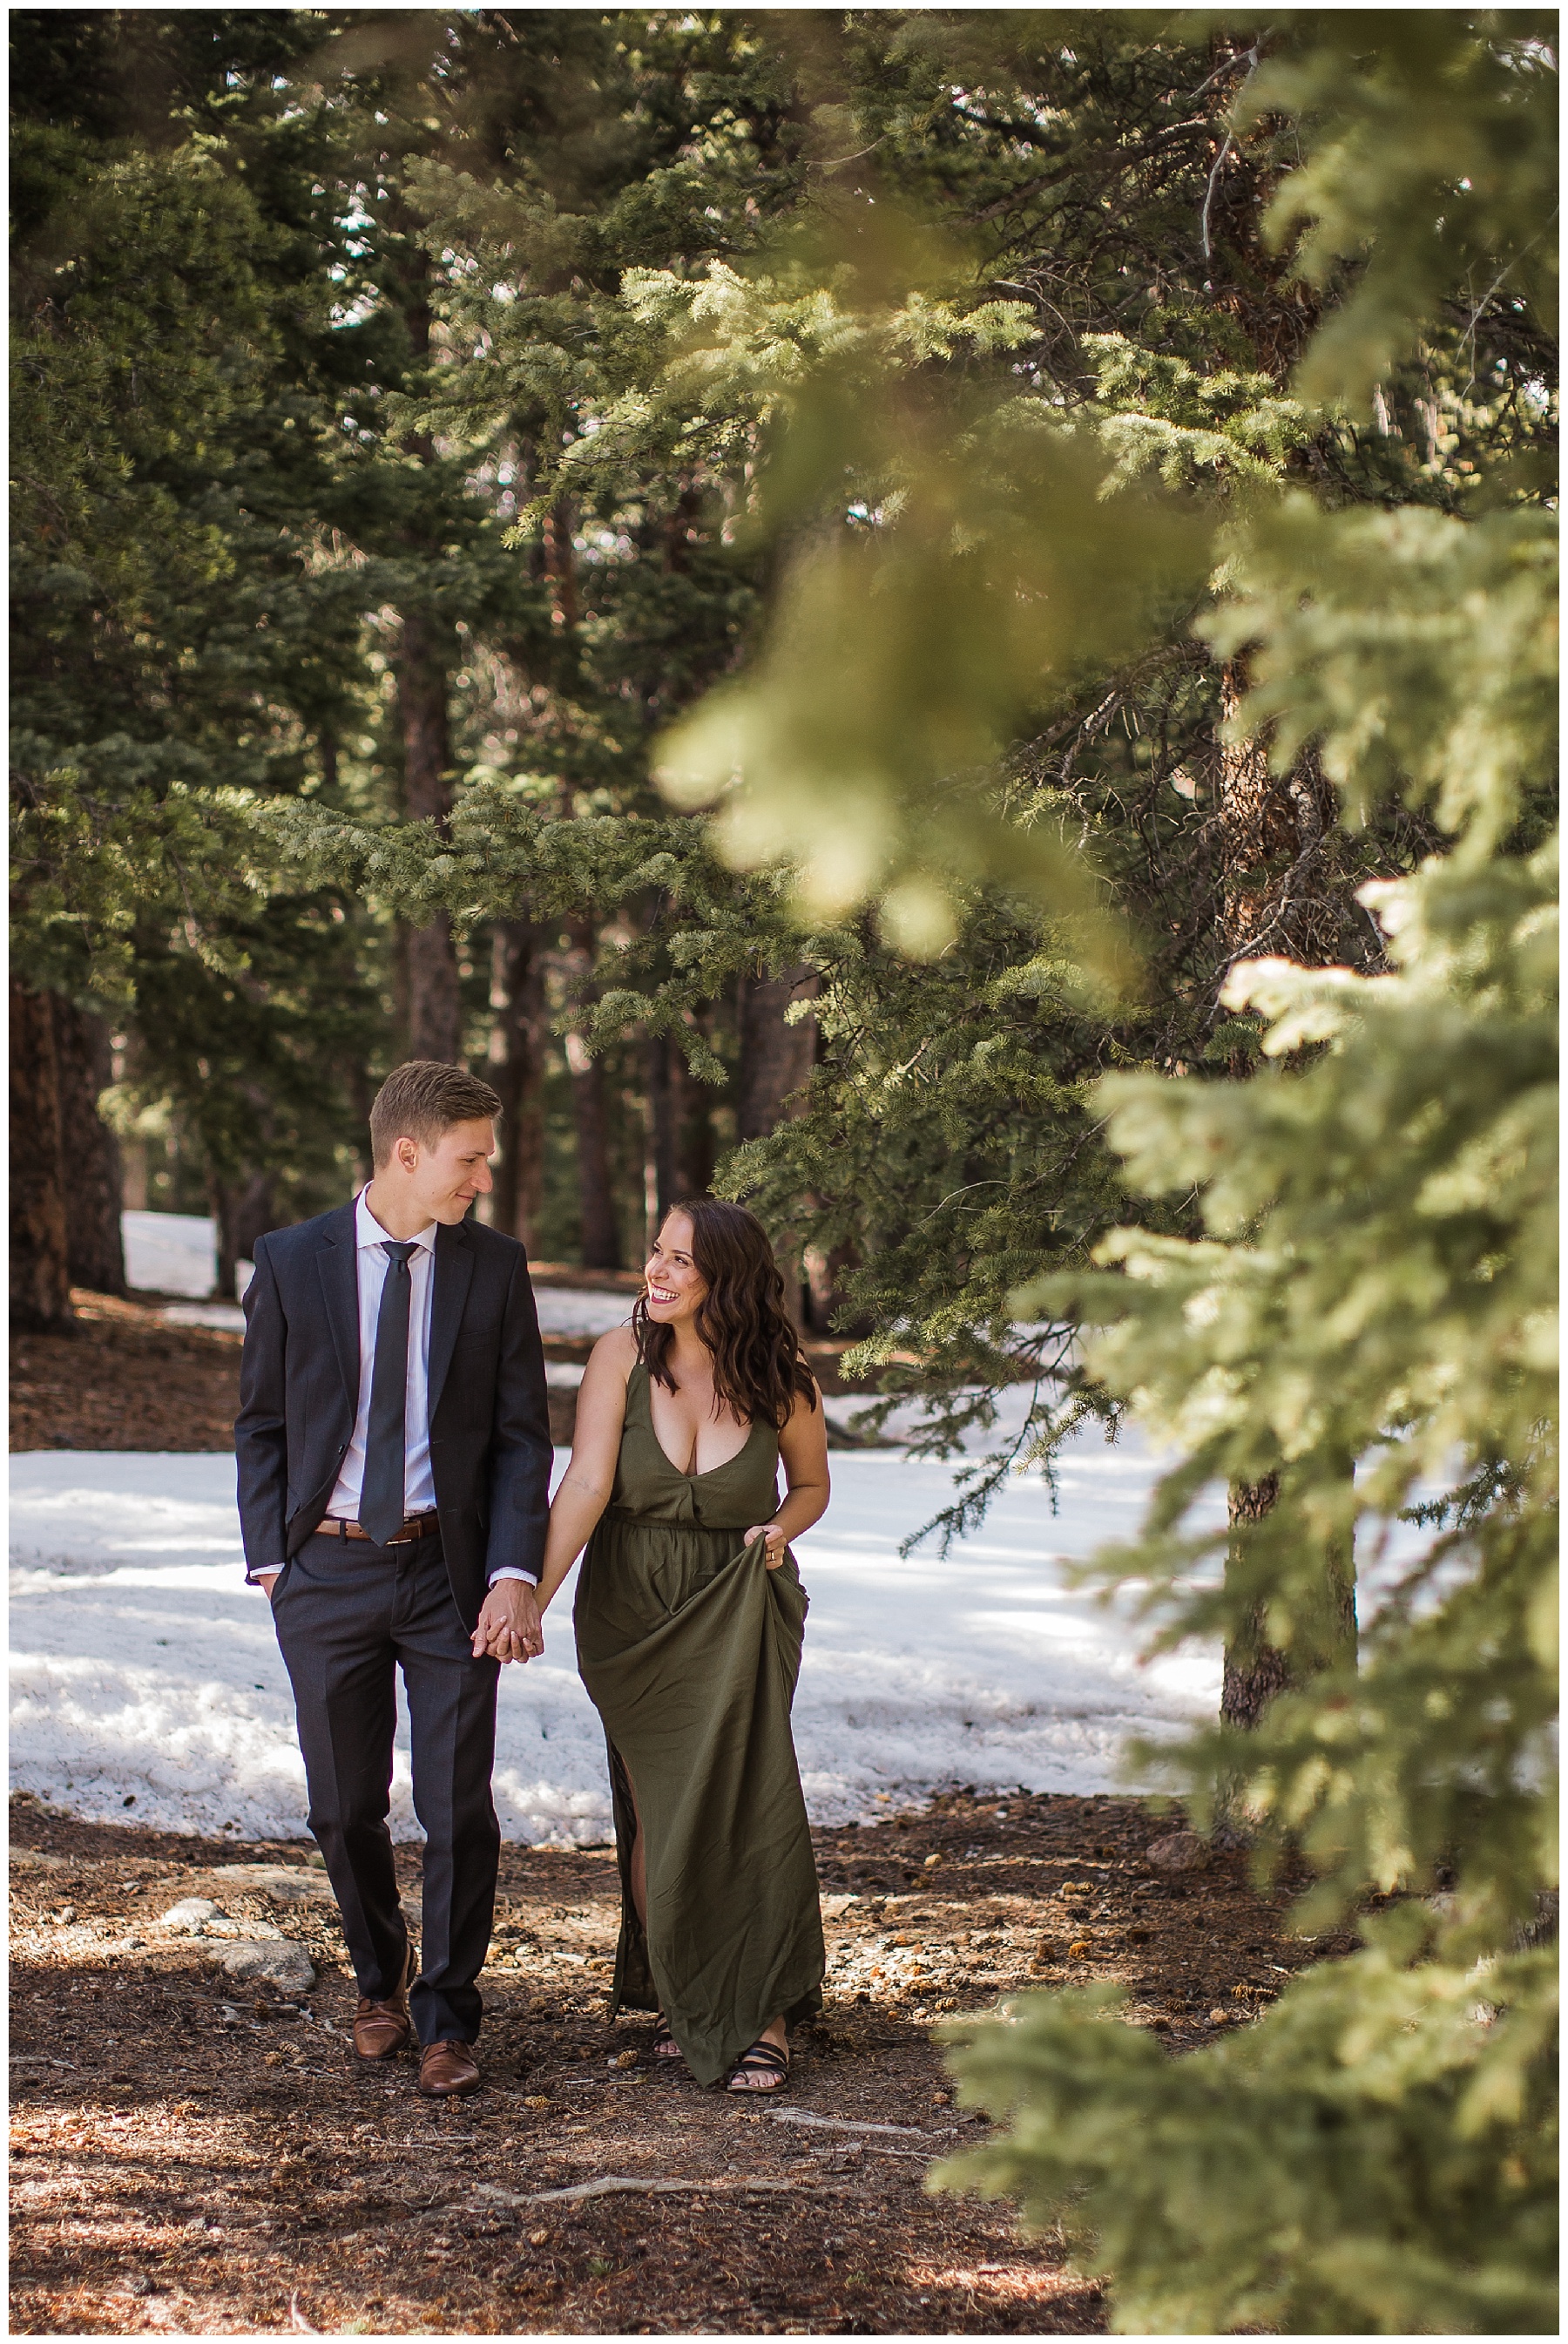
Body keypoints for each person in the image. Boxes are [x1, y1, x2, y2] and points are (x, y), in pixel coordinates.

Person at [235, 1060, 552, 2098]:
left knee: (458, 1807)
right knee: (341, 1807)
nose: (483, 1179)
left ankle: (447, 2019)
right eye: (470, 1159)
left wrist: (515, 1571)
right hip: (322, 1568)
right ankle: (380, 1975)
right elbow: (262, 1421)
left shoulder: (493, 1266)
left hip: (448, 1573)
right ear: (407, 1153)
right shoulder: (291, 1260)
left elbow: (519, 1437)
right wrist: (276, 1561)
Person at [530, 1196, 831, 2093]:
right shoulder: (622, 1355)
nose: (655, 1271)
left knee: (750, 1797)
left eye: (680, 1261)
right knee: (661, 1805)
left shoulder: (781, 1372)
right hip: (631, 1610)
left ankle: (764, 2010)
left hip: (738, 1603)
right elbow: (586, 1480)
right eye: (654, 1251)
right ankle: (685, 1991)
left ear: (725, 1280)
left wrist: (780, 1527)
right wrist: (532, 1600)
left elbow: (811, 1482)